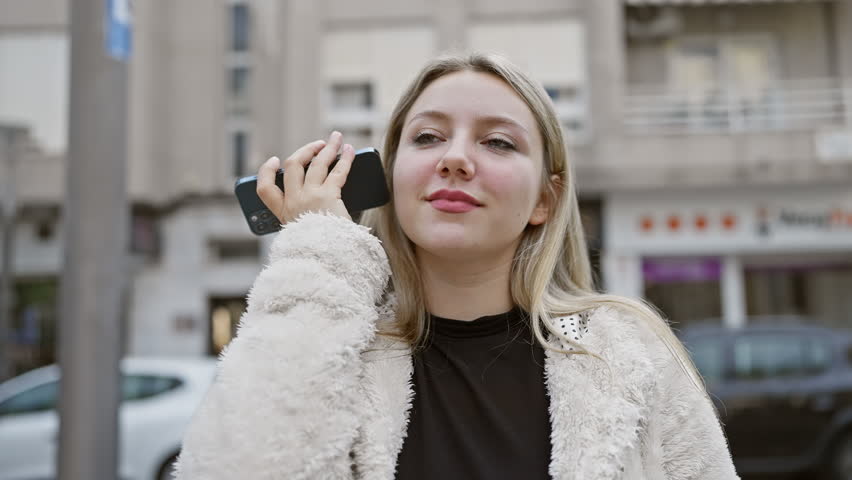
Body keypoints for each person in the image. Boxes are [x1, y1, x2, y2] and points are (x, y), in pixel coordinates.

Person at [175, 52, 739, 480]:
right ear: (394, 177)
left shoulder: (625, 349)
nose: (456, 159)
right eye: (427, 137)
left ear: (545, 198)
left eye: (497, 142)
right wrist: (320, 251)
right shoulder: (336, 338)